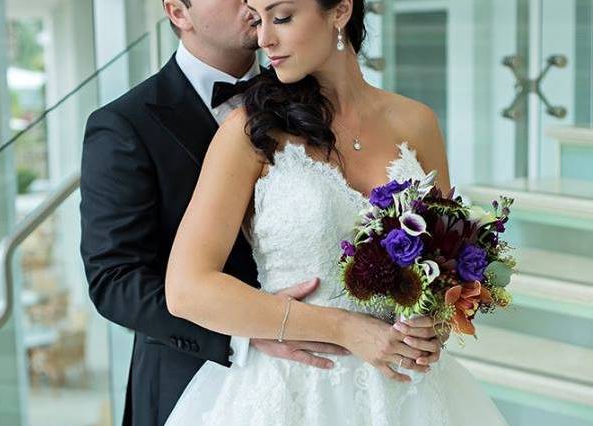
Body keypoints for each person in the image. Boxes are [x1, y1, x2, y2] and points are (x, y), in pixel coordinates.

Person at [163, 0, 509, 424]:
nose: (264, 38)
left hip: (408, 393)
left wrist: (431, 326)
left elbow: (444, 266)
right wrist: (342, 328)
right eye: (258, 18)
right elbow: (186, 289)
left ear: (340, 11)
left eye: (283, 17)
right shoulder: (248, 132)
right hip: (296, 391)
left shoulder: (417, 122)